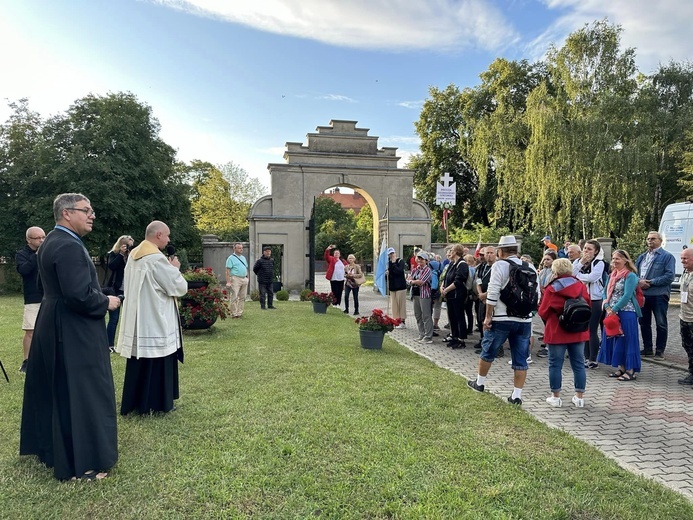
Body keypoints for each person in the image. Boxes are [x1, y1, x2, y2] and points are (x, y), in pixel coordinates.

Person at [20, 193, 120, 481]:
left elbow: (48, 285)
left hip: (54, 321)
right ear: (67, 213)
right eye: (86, 210)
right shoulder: (68, 246)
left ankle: (55, 449)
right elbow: (79, 295)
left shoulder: (51, 241)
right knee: (82, 392)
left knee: (60, 388)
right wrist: (106, 302)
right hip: (73, 329)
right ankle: (82, 463)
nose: (92, 215)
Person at [117, 221, 188, 415]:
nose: (169, 239)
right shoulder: (156, 259)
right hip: (156, 318)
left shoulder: (134, 254)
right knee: (158, 360)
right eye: (167, 235)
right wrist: (175, 268)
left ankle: (136, 402)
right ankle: (157, 403)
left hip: (139, 318)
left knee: (140, 362)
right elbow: (178, 287)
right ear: (158, 235)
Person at [467, 235, 539, 405]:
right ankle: (516, 395)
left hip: (502, 317)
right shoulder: (531, 266)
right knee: (520, 358)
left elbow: (492, 293)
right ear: (516, 250)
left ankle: (480, 383)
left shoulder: (500, 265)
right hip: (524, 319)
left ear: (500, 251)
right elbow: (537, 295)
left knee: (488, 350)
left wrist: (487, 316)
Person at [538, 258, 590, 408]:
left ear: (555, 271)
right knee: (579, 364)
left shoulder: (552, 288)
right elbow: (588, 304)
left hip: (557, 330)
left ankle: (556, 397)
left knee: (555, 364)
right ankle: (579, 397)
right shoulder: (580, 285)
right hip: (578, 330)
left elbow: (543, 311)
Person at [597, 249, 642, 381]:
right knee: (616, 339)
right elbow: (604, 292)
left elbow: (627, 295)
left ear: (626, 260)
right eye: (613, 258)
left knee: (628, 339)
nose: (615, 261)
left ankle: (631, 370)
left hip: (626, 312)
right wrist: (607, 306)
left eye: (618, 258)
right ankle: (622, 367)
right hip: (611, 312)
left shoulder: (630, 276)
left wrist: (614, 309)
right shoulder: (612, 274)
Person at [635, 231, 675, 358]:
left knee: (661, 323)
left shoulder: (667, 257)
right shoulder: (642, 257)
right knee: (644, 322)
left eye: (653, 239)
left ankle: (659, 350)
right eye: (648, 239)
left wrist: (650, 282)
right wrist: (638, 282)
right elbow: (634, 273)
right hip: (643, 294)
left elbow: (669, 276)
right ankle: (647, 349)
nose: (650, 241)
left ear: (660, 240)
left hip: (659, 294)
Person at [16, 226, 45, 373]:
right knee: (30, 331)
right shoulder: (21, 254)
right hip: (33, 297)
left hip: (49, 296)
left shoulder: (48, 252)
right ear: (29, 239)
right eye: (38, 238)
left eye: (43, 237)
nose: (41, 240)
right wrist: (36, 255)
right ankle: (27, 361)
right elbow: (24, 270)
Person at [572, 239, 605, 368]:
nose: (586, 251)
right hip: (581, 298)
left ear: (596, 251)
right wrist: (581, 263)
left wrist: (579, 277)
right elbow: (571, 274)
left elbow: (593, 278)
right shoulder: (577, 262)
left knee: (592, 329)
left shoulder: (599, 263)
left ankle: (593, 359)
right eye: (585, 248)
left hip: (595, 299)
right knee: (583, 328)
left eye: (589, 249)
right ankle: (585, 357)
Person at [104, 234, 134, 352]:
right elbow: (112, 266)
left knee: (129, 318)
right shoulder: (114, 254)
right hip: (116, 290)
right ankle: (109, 344)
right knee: (114, 318)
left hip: (129, 290)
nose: (129, 248)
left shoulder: (132, 256)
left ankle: (127, 344)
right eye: (128, 246)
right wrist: (121, 254)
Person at [441, 244, 469, 349]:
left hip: (458, 295)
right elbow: (446, 277)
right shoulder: (452, 264)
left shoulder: (462, 264)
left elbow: (458, 281)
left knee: (459, 317)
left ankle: (461, 339)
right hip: (450, 295)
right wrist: (442, 287)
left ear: (456, 252)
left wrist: (446, 290)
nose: (450, 252)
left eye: (451, 250)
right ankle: (455, 336)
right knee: (452, 317)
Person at [535, 250, 558, 358]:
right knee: (545, 322)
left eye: (548, 259)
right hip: (542, 298)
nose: (545, 261)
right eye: (544, 259)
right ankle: (548, 341)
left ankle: (550, 346)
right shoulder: (543, 271)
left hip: (550, 299)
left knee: (550, 323)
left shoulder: (555, 272)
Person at [408, 251, 433, 343]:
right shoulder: (415, 269)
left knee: (426, 315)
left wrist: (412, 281)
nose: (420, 261)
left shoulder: (427, 270)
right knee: (418, 315)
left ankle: (428, 336)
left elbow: (421, 282)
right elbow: (409, 279)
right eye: (418, 259)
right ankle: (421, 334)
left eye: (422, 259)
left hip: (424, 295)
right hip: (415, 294)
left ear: (426, 260)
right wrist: (413, 281)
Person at [678, 248, 693, 385]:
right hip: (684, 317)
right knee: (687, 345)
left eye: (685, 258)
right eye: (682, 258)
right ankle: (691, 374)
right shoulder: (685, 273)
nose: (682, 261)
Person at [225, 243, 249, 318]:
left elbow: (246, 268)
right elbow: (227, 271)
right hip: (235, 278)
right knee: (234, 296)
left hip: (244, 278)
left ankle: (239, 313)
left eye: (241, 248)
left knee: (243, 297)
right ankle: (234, 313)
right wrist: (228, 281)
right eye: (239, 248)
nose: (241, 249)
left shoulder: (243, 258)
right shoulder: (231, 258)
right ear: (234, 249)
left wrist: (247, 278)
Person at [387, 247, 407, 328]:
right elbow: (391, 273)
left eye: (392, 253)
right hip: (393, 287)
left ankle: (402, 321)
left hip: (400, 287)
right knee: (394, 305)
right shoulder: (389, 263)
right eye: (390, 254)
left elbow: (399, 271)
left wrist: (394, 263)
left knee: (401, 304)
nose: (391, 255)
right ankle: (396, 319)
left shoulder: (400, 261)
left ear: (395, 253)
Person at [253, 246, 276, 310]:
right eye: (267, 251)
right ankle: (263, 306)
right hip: (262, 280)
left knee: (271, 293)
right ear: (264, 252)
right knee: (262, 294)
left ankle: (270, 305)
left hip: (270, 280)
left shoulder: (272, 260)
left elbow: (272, 268)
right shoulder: (259, 261)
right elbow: (255, 269)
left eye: (269, 251)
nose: (268, 253)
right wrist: (260, 275)